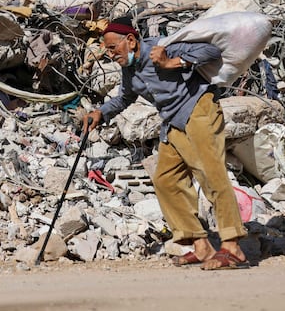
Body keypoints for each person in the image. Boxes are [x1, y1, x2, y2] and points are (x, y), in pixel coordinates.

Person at [83, 16, 249, 270]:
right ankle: (201, 246)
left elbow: (211, 51)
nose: (109, 54)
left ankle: (232, 246)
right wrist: (101, 113)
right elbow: (124, 98)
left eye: (112, 48)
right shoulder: (130, 71)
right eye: (106, 50)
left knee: (210, 173)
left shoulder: (164, 46)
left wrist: (172, 62)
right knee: (166, 179)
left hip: (198, 109)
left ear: (130, 40)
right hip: (172, 120)